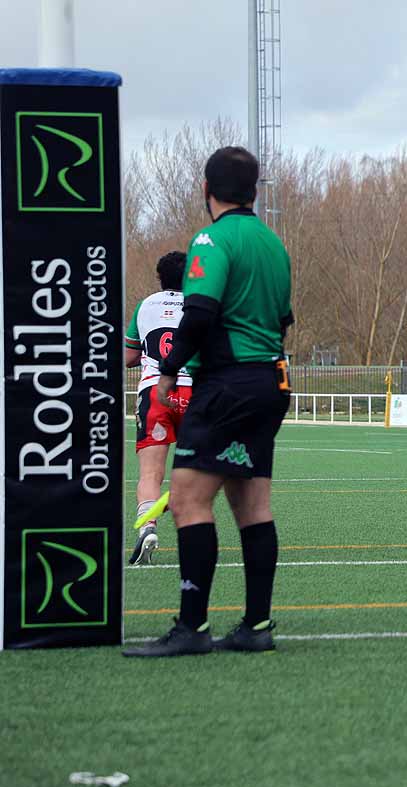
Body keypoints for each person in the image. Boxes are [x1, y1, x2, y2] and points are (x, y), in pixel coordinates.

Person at [123, 146, 295, 657]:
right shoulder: (272, 244)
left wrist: (168, 373)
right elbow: (284, 321)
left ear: (206, 189)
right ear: (255, 191)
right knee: (252, 505)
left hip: (225, 385)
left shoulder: (211, 240)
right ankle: (256, 624)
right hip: (270, 383)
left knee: (187, 500)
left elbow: (197, 315)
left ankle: (192, 627)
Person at [123, 251, 191, 566]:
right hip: (195, 392)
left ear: (159, 277)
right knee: (200, 471)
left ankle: (148, 526)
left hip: (154, 391)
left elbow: (128, 357)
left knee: (150, 472)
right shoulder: (200, 303)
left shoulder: (145, 305)